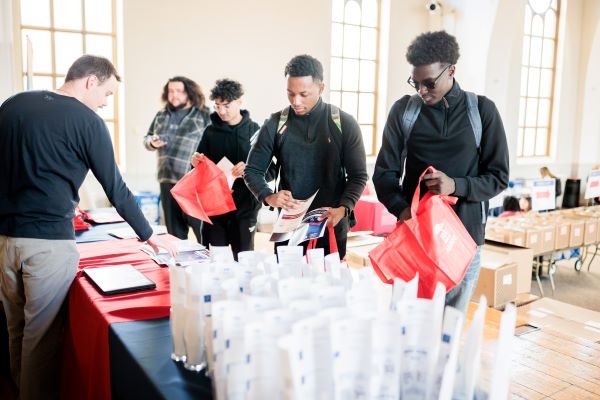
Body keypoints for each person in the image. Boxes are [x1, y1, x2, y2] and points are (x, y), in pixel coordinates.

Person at [0, 55, 176, 400]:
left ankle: (19, 388)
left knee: (15, 327)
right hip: (48, 243)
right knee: (42, 337)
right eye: (107, 94)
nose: (105, 103)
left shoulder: (14, 105)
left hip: (5, 239)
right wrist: (150, 234)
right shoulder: (88, 122)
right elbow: (116, 188)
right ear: (90, 81)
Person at [372, 31, 509, 314]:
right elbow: (384, 174)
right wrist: (403, 212)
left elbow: (498, 177)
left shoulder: (482, 112)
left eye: (430, 83)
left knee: (449, 333)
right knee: (405, 329)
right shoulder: (404, 112)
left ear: (452, 71)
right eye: (416, 82)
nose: (422, 90)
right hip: (415, 239)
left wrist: (455, 185)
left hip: (463, 241)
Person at [244, 54, 368, 258]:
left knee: (330, 286)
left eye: (304, 94)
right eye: (290, 93)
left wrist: (344, 208)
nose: (296, 101)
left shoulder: (343, 123)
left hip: (331, 221)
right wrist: (268, 196)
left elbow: (358, 175)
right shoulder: (276, 123)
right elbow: (253, 170)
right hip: (290, 224)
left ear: (321, 88)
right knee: (288, 285)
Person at [190, 79, 261, 259]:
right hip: (215, 208)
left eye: (226, 106)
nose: (221, 111)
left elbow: (269, 170)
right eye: (217, 106)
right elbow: (196, 172)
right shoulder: (210, 132)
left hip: (245, 208)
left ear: (239, 101)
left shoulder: (255, 131)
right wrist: (195, 163)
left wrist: (248, 168)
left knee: (243, 260)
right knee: (213, 259)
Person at [144, 76, 210, 242]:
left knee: (203, 233)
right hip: (167, 181)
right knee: (175, 236)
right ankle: (180, 267)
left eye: (179, 91)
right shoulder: (160, 115)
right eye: (171, 91)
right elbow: (147, 137)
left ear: (189, 92)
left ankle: (208, 265)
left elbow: (216, 142)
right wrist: (151, 142)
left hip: (193, 183)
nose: (174, 95)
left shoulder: (203, 115)